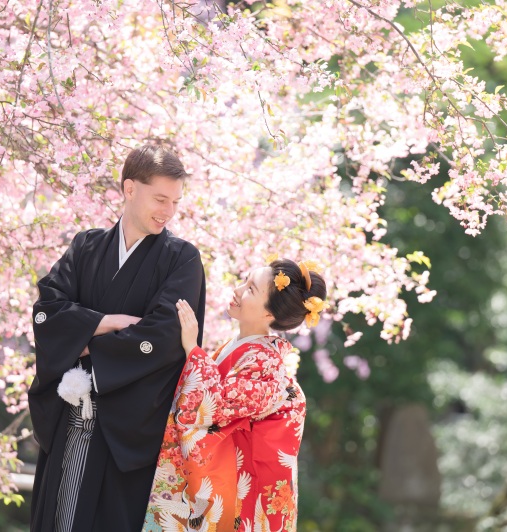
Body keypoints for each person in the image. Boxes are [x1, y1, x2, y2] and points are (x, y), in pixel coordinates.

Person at [28, 144, 206, 531]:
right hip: (73, 413)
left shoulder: (182, 259)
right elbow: (46, 311)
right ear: (129, 188)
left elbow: (162, 336)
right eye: (160, 198)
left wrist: (83, 340)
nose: (167, 211)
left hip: (130, 430)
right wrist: (106, 320)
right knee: (63, 515)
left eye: (175, 202)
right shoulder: (86, 246)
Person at [142, 258, 327, 532]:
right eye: (245, 281)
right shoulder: (240, 348)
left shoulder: (266, 364)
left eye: (251, 289)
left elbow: (212, 407)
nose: (238, 290)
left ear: (269, 314)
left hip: (239, 496)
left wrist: (193, 348)